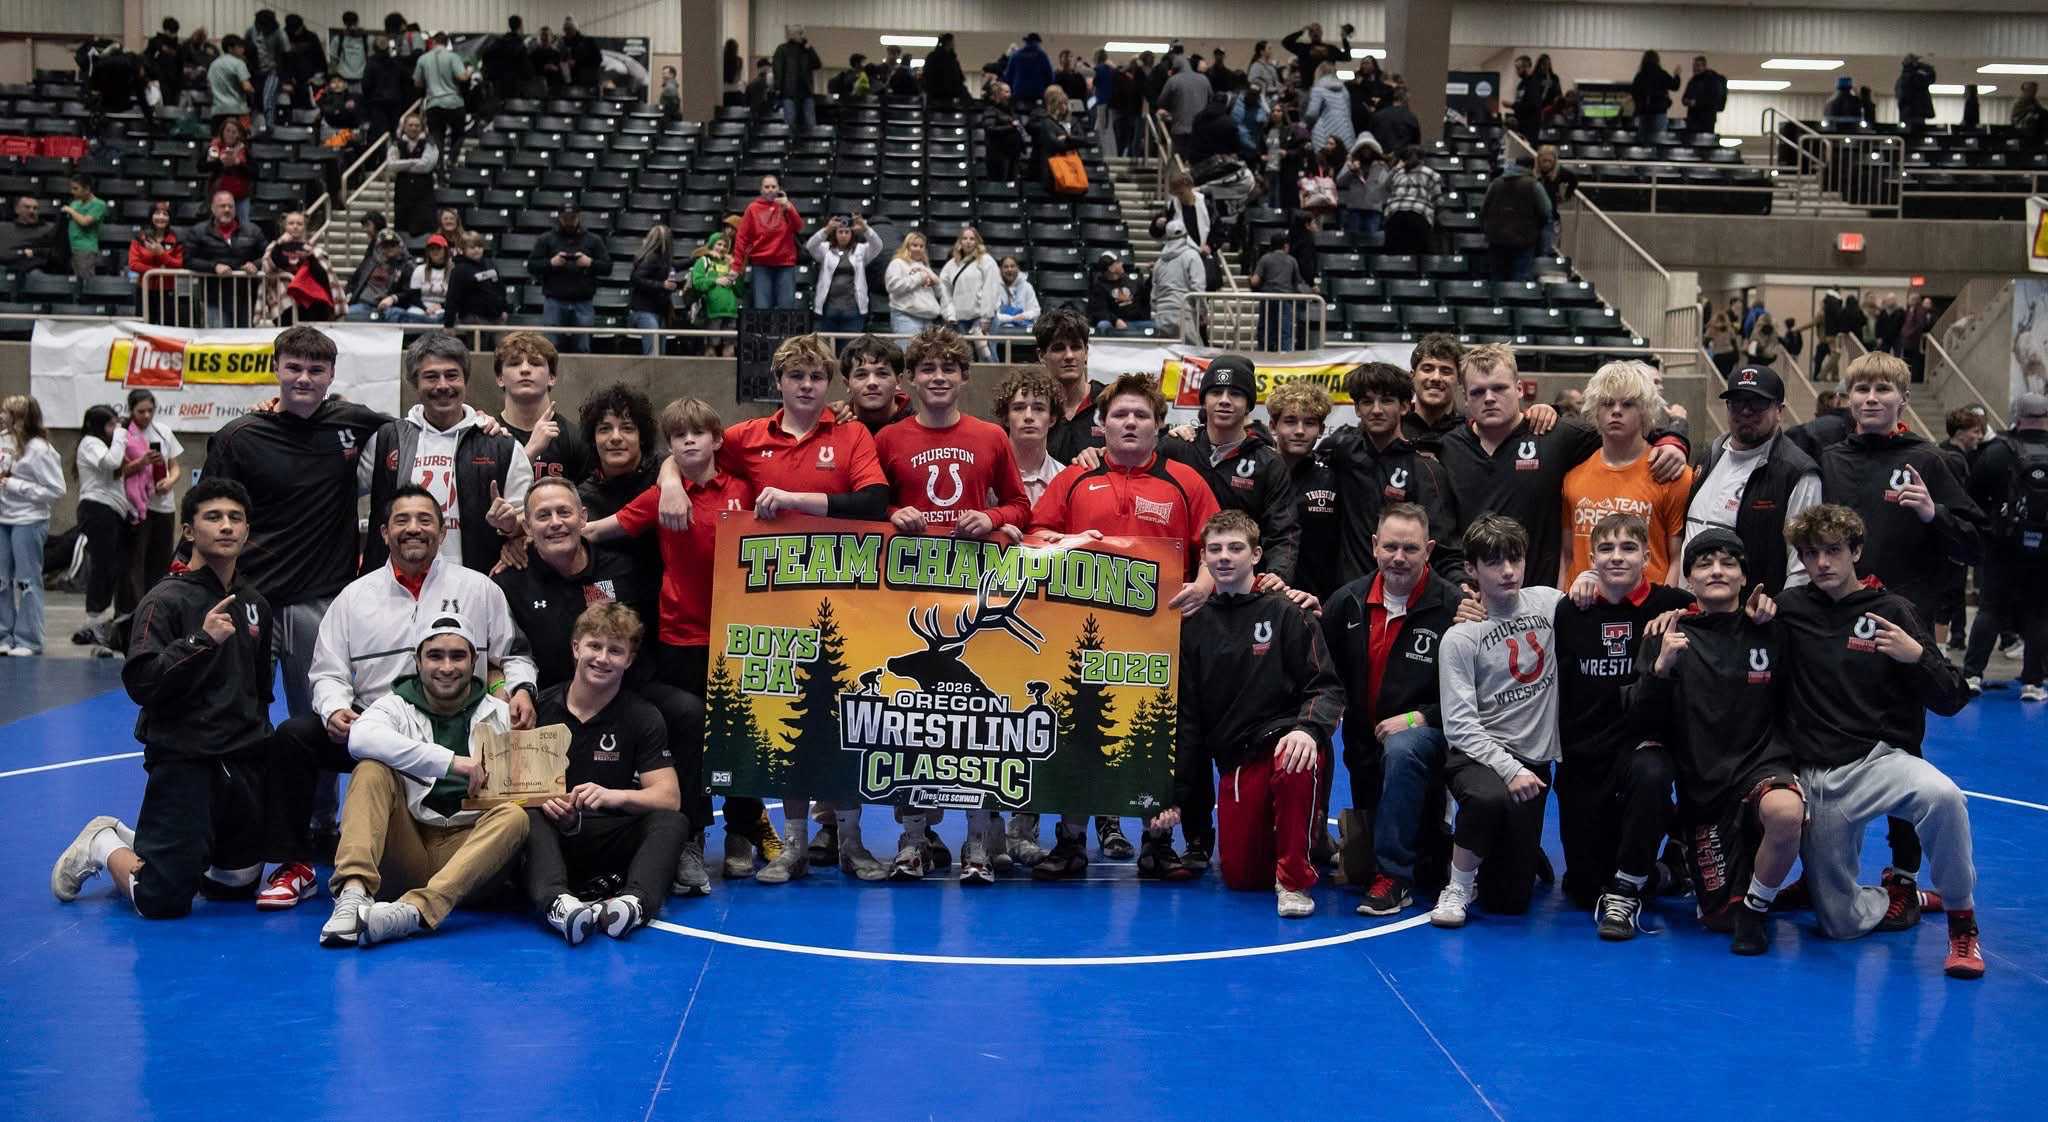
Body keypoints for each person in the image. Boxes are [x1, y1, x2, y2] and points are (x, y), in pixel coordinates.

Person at [650, 335, 891, 880]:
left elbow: (873, 502)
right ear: (777, 382)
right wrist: (668, 480)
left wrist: (793, 499)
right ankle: (793, 844)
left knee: (843, 719)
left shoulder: (850, 433)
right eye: (797, 377)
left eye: (817, 378)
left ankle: (851, 843)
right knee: (786, 719)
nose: (807, 387)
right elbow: (690, 450)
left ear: (829, 383)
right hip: (768, 607)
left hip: (845, 599)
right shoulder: (745, 436)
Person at [48, 479, 326, 916]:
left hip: (241, 763)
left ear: (247, 532)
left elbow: (258, 690)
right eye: (213, 517)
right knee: (161, 900)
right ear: (190, 531)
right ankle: (103, 841)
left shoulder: (255, 604)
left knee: (233, 886)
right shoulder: (165, 600)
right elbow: (142, 683)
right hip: (186, 759)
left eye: (236, 518)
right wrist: (200, 641)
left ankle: (156, 845)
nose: (226, 526)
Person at [1776, 504, 1981, 978]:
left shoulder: (1891, 611)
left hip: (1877, 761)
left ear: (1856, 552)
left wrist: (1917, 658)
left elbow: (1952, 698)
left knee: (1944, 796)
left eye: (1833, 551)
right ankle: (1895, 894)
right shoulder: (1789, 609)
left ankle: (1962, 921)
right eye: (1811, 554)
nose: (1822, 563)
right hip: (1818, 776)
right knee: (1840, 926)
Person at [1028, 374, 1221, 877]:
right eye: (1120, 415)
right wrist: (1065, 544)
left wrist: (1203, 585)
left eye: (1141, 415)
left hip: (1162, 639)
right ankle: (1069, 842)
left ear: (1159, 425)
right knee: (1079, 730)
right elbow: (1036, 534)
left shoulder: (1186, 481)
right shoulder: (1071, 479)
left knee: (1154, 737)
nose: (1130, 422)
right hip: (1081, 634)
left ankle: (1156, 845)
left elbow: (1216, 549)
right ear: (1101, 424)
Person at [870, 327, 1033, 883]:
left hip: (970, 589)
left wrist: (992, 519)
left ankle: (979, 845)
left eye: (948, 369)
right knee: (916, 724)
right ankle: (912, 840)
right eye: (927, 369)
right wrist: (892, 514)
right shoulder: (889, 438)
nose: (938, 378)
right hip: (909, 591)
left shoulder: (990, 435)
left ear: (964, 377)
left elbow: (1020, 504)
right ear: (910, 379)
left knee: (973, 726)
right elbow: (871, 503)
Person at [585, 398, 756, 886]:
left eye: (696, 434)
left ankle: (743, 830)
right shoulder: (659, 498)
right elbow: (599, 529)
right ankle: (693, 836)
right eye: (677, 436)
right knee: (693, 738)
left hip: (739, 634)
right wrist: (529, 534)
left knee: (743, 734)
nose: (687, 442)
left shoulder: (745, 487)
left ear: (717, 440)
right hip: (681, 636)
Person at [1152, 511, 1342, 912]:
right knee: (1241, 878)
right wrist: (1174, 796)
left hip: (1287, 742)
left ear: (1256, 555)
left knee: (1297, 760)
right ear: (1202, 558)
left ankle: (1294, 880)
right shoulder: (1192, 624)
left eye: (1235, 548)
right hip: (1236, 758)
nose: (1224, 557)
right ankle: (1305, 837)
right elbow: (1187, 720)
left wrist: (1308, 729)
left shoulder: (1288, 610)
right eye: (1215, 549)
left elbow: (1324, 686)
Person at [1629, 529, 1804, 953]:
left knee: (1785, 813)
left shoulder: (1771, 628)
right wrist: (1662, 668)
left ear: (1745, 576)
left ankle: (1757, 909)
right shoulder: (1666, 634)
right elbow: (1640, 722)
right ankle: (1687, 864)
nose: (1717, 571)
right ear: (1689, 579)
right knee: (1717, 917)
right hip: (1705, 787)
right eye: (1705, 564)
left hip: (1761, 766)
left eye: (1728, 563)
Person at [318, 613, 533, 947]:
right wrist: (451, 762)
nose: (447, 667)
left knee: (516, 816)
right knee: (371, 769)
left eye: (458, 656)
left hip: (471, 857)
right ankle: (353, 893)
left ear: (474, 661)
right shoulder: (395, 706)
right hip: (409, 847)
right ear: (417, 660)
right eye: (435, 655)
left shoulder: (502, 714)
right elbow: (358, 739)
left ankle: (415, 912)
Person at [1549, 513, 1695, 937]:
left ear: (1648, 555)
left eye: (1628, 548)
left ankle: (1630, 885)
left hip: (1638, 747)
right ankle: (1667, 874)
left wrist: (1685, 614)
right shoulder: (1571, 608)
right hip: (1583, 754)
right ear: (1590, 556)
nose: (1617, 557)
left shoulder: (1670, 604)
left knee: (1652, 773)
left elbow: (1720, 604)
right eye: (1607, 549)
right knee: (1583, 889)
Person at [1442, 344, 1687, 592]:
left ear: (1519, 389)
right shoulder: (1448, 448)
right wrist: (1457, 584)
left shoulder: (1555, 435)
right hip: (1474, 599)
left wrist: (1675, 441)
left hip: (1542, 599)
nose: (1489, 398)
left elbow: (1627, 433)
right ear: (1465, 397)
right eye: (1478, 392)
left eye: (1499, 388)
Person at [1322, 503, 1467, 915]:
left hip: (1430, 737)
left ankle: (1395, 878)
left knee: (1404, 748)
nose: (1399, 558)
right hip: (1364, 744)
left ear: (1430, 550)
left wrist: (1422, 717)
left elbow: (1474, 695)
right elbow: (1322, 673)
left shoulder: (1454, 608)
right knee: (1396, 842)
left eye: (1410, 548)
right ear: (1373, 546)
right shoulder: (1345, 603)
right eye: (1390, 547)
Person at [518, 599, 686, 941]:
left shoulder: (642, 716)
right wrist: (548, 805)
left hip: (610, 835)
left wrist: (613, 796)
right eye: (594, 646)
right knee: (524, 816)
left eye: (615, 650)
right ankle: (559, 905)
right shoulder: (539, 709)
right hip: (550, 839)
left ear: (630, 659)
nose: (602, 658)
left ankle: (632, 904)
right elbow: (509, 787)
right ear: (576, 647)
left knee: (672, 822)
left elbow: (669, 798)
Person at [1430, 515, 1566, 928]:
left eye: (1515, 559)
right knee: (1488, 799)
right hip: (1480, 757)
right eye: (1493, 562)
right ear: (1471, 570)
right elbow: (1459, 727)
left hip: (1535, 764)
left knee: (1509, 902)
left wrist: (1594, 576)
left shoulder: (1549, 602)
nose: (1508, 571)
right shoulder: (1461, 637)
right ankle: (1455, 885)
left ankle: (1510, 843)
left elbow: (1598, 592)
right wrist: (1510, 770)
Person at [1820, 353, 1983, 634]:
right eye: (1861, 389)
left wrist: (1934, 514)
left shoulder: (1928, 460)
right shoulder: (1828, 460)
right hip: (1838, 615)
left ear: (1904, 399)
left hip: (1907, 618)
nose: (1871, 398)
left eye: (1882, 388)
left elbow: (1976, 546)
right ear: (1850, 398)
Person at [358, 332, 531, 575]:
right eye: (431, 377)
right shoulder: (387, 440)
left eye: (452, 376)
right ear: (414, 383)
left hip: (475, 585)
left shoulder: (502, 445)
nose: (442, 386)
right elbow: (339, 495)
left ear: (465, 381)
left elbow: (528, 524)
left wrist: (512, 526)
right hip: (396, 586)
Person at [1324, 362, 1469, 591]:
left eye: (1387, 400)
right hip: (1349, 598)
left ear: (1404, 407)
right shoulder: (1341, 452)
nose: (1377, 410)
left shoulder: (1425, 469)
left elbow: (1444, 548)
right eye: (1367, 401)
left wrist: (1461, 584)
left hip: (1406, 600)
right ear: (1357, 409)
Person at [1681, 366, 1824, 596]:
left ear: (1779, 410)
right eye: (1737, 402)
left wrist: (1781, 618)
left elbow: (1801, 567)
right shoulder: (1711, 454)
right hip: (1694, 610)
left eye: (1758, 403)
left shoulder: (1797, 472)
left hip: (1751, 618)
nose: (1746, 411)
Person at [1559, 362, 1693, 587]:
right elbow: (1567, 556)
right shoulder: (1572, 478)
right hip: (1583, 610)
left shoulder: (1673, 475)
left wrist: (1666, 609)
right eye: (1608, 403)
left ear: (1644, 411)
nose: (1616, 410)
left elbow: (1677, 559)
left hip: (1648, 611)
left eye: (1628, 404)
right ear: (1595, 410)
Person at [1962, 392, 2048, 699]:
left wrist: (1989, 529)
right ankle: (2033, 682)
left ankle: (1972, 675)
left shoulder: (1998, 451)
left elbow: (1971, 495)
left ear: (2017, 414)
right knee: (2039, 613)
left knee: (1990, 610)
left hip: (2002, 546)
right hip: (2044, 551)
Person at [0, 395, 62, 657]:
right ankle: (4, 634)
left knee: (26, 581)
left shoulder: (40, 449)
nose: (2, 416)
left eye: (7, 412)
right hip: (3, 518)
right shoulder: (3, 440)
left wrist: (15, 485)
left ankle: (29, 639)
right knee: (1, 580)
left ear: (22, 418)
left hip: (28, 519)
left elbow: (55, 489)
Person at [71, 405, 136, 648]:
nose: (115, 429)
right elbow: (111, 463)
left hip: (114, 511)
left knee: (117, 568)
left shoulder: (105, 444)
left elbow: (119, 470)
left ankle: (111, 623)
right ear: (98, 425)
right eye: (110, 424)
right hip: (97, 509)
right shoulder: (89, 442)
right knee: (103, 567)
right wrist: (121, 434)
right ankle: (94, 622)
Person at [492, 332, 589, 484]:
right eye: (514, 363)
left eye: (535, 363)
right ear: (500, 379)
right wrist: (529, 453)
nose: (525, 369)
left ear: (552, 377)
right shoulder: (488, 436)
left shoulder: (575, 438)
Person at [118, 389, 184, 604]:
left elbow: (175, 467)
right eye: (140, 411)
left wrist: (170, 481)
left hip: (164, 505)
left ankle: (157, 607)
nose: (146, 416)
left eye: (150, 410)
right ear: (131, 411)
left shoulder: (163, 431)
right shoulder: (124, 434)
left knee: (161, 561)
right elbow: (118, 472)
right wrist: (142, 462)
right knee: (136, 563)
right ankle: (135, 611)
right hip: (138, 508)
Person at [529, 205, 610, 352]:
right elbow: (532, 266)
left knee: (583, 347)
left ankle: (583, 375)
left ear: (579, 216)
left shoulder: (593, 240)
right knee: (549, 348)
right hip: (555, 300)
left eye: (572, 218)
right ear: (559, 217)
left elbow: (607, 267)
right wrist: (550, 263)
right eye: (566, 218)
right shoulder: (546, 239)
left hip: (583, 301)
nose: (569, 222)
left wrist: (590, 263)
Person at [183, 190, 264, 327]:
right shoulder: (198, 231)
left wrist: (256, 264)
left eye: (230, 206)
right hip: (214, 299)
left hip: (245, 298)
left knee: (245, 343)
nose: (227, 210)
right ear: (213, 208)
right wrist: (213, 267)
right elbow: (187, 260)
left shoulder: (253, 230)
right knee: (219, 342)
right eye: (222, 206)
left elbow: (268, 255)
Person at [732, 175, 801, 312]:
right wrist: (736, 266)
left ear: (779, 189)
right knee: (762, 309)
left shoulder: (786, 206)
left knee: (786, 309)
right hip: (761, 265)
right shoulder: (752, 209)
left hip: (785, 264)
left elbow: (798, 226)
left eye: (773, 187)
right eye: (767, 187)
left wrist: (788, 207)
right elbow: (742, 238)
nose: (770, 190)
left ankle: (786, 335)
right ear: (761, 190)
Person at [808, 213, 883, 337]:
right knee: (828, 350)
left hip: (853, 310)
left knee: (850, 350)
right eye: (840, 232)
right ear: (835, 233)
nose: (843, 235)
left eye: (847, 232)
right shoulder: (825, 249)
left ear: (852, 234)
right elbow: (811, 245)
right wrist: (826, 230)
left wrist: (865, 228)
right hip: (828, 309)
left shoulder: (861, 250)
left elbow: (878, 245)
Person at [1479, 159, 1551, 283]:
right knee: (1520, 279)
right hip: (1524, 239)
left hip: (1497, 239)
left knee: (1497, 278)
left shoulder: (1496, 183)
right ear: (1531, 168)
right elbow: (1546, 211)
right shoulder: (1534, 185)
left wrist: (1488, 230)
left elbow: (1483, 210)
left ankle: (1498, 302)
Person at [939, 227, 1003, 351]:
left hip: (981, 318)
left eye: (972, 239)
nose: (968, 241)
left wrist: (986, 317)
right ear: (960, 242)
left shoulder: (986, 261)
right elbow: (944, 289)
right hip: (960, 319)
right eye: (965, 238)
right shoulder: (952, 264)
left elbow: (990, 290)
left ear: (977, 242)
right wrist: (949, 313)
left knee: (987, 357)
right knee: (963, 358)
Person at [1149, 219, 1206, 344]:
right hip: (1183, 312)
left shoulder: (1159, 262)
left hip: (1162, 314)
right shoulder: (1192, 255)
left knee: (1166, 355)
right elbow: (1198, 288)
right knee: (1193, 354)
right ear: (1186, 235)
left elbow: (1154, 295)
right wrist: (1203, 311)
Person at [1381, 146, 1443, 256]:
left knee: (1394, 257)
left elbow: (1384, 187)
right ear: (1422, 159)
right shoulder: (1432, 174)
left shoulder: (1397, 173)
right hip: (1418, 216)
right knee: (1418, 257)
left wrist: (1395, 168)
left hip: (1394, 215)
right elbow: (1438, 201)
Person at [885, 231, 949, 337]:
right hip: (906, 317)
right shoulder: (897, 263)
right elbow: (892, 286)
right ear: (907, 246)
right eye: (915, 245)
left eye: (921, 246)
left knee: (927, 354)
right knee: (909, 352)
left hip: (928, 319)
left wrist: (936, 283)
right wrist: (919, 278)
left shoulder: (925, 266)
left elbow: (940, 293)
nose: (918, 249)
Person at [626, 225, 676, 356]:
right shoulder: (651, 257)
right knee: (653, 353)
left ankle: (658, 376)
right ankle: (649, 376)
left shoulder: (662, 259)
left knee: (659, 353)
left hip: (658, 311)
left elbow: (675, 265)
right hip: (645, 311)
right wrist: (662, 285)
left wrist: (696, 258)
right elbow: (636, 278)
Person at [387, 113, 439, 237]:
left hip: (424, 198)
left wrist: (403, 166)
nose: (414, 128)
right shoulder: (396, 144)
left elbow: (426, 166)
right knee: (401, 233)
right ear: (404, 127)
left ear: (421, 127)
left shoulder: (430, 144)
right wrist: (414, 162)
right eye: (410, 125)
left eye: (417, 125)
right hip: (402, 197)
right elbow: (391, 165)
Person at [383, 232, 451, 324]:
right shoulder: (420, 269)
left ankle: (430, 321)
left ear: (445, 250)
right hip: (420, 308)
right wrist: (425, 308)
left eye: (438, 248)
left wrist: (440, 306)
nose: (435, 251)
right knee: (394, 313)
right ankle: (430, 321)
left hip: (443, 309)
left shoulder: (454, 271)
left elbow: (456, 297)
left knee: (445, 316)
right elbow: (414, 296)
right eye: (431, 249)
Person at [442, 230, 505, 327]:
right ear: (463, 249)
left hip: (496, 317)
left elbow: (500, 288)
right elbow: (452, 297)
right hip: (473, 318)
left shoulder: (490, 264)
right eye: (472, 247)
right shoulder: (459, 270)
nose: (477, 250)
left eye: (479, 247)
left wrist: (504, 309)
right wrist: (449, 324)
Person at [346, 228, 412, 319]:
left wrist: (392, 298)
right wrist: (348, 294)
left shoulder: (406, 266)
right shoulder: (369, 262)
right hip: (363, 303)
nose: (389, 248)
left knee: (398, 315)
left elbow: (408, 292)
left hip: (388, 307)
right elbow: (353, 280)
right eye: (385, 246)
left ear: (399, 247)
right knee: (346, 315)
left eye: (392, 245)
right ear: (379, 247)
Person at [203, 119, 254, 225]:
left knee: (244, 228)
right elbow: (201, 167)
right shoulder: (213, 146)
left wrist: (238, 162)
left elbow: (255, 172)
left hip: (240, 198)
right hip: (218, 195)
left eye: (234, 132)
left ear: (238, 134)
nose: (230, 134)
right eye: (228, 131)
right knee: (215, 228)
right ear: (222, 132)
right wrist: (221, 161)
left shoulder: (244, 149)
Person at [771, 25, 821, 131]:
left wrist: (810, 49)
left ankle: (811, 145)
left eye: (803, 33)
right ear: (792, 35)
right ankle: (790, 145)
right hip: (789, 92)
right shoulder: (782, 49)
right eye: (800, 33)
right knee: (790, 122)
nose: (803, 36)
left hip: (806, 91)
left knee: (811, 122)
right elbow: (778, 69)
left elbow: (817, 64)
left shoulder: (806, 50)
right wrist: (778, 88)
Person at [59, 175, 107, 281]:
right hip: (71, 248)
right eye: (71, 188)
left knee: (86, 281)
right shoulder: (75, 203)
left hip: (85, 248)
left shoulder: (99, 204)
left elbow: (85, 222)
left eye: (76, 188)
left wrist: (71, 211)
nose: (72, 191)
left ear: (87, 189)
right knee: (75, 281)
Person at [1087, 255, 1151, 334]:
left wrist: (1151, 276)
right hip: (1115, 323)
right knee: (1103, 325)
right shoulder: (1099, 287)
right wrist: (1115, 320)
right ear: (1111, 268)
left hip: (1135, 322)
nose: (1122, 263)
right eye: (1118, 262)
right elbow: (1100, 311)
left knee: (1157, 326)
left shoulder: (1130, 281)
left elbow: (1145, 297)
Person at [1280, 23, 1350, 90]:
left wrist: (1344, 39)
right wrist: (1301, 31)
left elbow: (1347, 57)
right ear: (1309, 34)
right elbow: (1286, 42)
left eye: (1317, 30)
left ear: (1321, 32)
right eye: (1312, 31)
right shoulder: (1303, 48)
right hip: (1308, 89)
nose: (1315, 32)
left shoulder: (1331, 49)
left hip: (1327, 90)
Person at [206, 35, 253, 133]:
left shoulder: (213, 64)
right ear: (230, 48)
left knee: (217, 145)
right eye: (239, 47)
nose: (242, 49)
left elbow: (209, 88)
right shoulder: (239, 63)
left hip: (218, 111)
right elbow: (247, 87)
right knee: (240, 145)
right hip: (238, 111)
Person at [1629, 50, 1681, 136]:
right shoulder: (1661, 73)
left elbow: (1634, 92)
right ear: (1657, 60)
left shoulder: (1640, 75)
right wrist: (1677, 75)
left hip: (1644, 113)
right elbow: (1675, 86)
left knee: (1644, 140)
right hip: (1659, 111)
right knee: (1658, 139)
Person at [0, 196, 53, 269]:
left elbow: (52, 252)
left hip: (34, 270)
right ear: (17, 210)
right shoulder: (3, 227)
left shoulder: (49, 228)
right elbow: (3, 253)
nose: (32, 211)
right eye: (27, 207)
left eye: (35, 208)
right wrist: (23, 252)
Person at [1681, 56, 1727, 134]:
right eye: (1694, 66)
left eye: (1698, 65)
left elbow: (1712, 99)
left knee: (1705, 142)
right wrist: (1686, 101)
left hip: (1707, 119)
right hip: (1693, 119)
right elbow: (1684, 97)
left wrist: (1696, 103)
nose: (1695, 68)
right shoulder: (1693, 81)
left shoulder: (1712, 80)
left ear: (1704, 66)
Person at [1003, 32, 1053, 104]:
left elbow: (1008, 76)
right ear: (1038, 43)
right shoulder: (1042, 55)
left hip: (1019, 93)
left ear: (1026, 42)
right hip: (1037, 94)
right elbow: (1050, 76)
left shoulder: (1016, 55)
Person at [992, 256, 1039, 333]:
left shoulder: (1027, 286)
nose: (1009, 269)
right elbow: (993, 315)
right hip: (1001, 327)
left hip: (1023, 327)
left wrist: (1023, 316)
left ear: (1017, 268)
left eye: (1012, 266)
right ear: (1000, 269)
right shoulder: (995, 287)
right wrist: (1011, 319)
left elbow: (1036, 311)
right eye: (1006, 267)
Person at [924, 32, 968, 104]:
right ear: (949, 42)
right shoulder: (951, 59)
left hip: (932, 96)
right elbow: (957, 78)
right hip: (948, 96)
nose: (954, 44)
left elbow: (926, 75)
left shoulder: (932, 56)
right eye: (953, 42)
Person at [1896, 54, 1937, 131]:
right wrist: (1922, 66)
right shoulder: (1914, 77)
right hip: (1915, 113)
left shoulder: (1903, 78)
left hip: (1907, 112)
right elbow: (1931, 77)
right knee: (1917, 134)